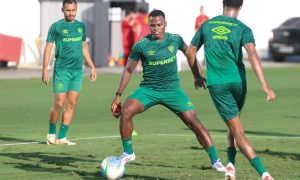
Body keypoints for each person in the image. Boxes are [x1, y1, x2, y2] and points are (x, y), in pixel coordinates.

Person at [111, 9, 225, 172]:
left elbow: (189, 52)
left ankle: (216, 161)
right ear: (148, 25)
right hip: (148, 89)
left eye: (159, 25)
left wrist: (197, 75)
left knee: (195, 123)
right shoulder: (141, 45)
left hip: (172, 90)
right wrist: (118, 95)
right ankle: (128, 153)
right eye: (152, 25)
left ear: (165, 25)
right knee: (127, 111)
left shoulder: (175, 40)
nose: (155, 28)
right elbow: (128, 70)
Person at [186, 0, 276, 180]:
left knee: (237, 131)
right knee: (234, 123)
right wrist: (265, 85)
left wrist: (197, 75)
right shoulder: (243, 28)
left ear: (223, 3)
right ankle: (230, 166)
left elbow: (190, 52)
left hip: (219, 84)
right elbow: (253, 55)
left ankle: (264, 174)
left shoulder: (207, 25)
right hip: (239, 83)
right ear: (241, 6)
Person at [42, 0, 97, 145]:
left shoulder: (81, 26)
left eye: (73, 10)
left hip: (77, 72)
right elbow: (48, 48)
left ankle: (61, 137)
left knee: (71, 104)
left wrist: (92, 66)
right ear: (62, 10)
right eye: (68, 10)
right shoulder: (56, 27)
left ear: (76, 10)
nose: (71, 13)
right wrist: (45, 69)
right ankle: (51, 134)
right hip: (61, 71)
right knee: (59, 103)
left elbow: (83, 47)